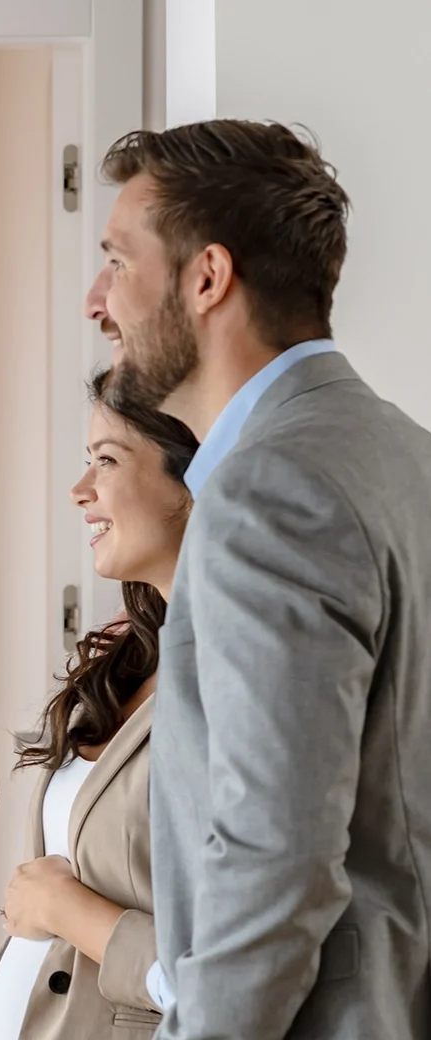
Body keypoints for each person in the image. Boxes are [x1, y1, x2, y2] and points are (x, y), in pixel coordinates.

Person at [86, 119, 431, 1039]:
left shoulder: (268, 489)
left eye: (117, 261)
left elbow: (273, 865)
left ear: (206, 277)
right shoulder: (404, 452)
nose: (97, 298)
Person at [0, 370, 197, 1040]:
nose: (80, 491)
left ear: (193, 478)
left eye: (106, 460)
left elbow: (244, 974)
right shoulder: (129, 660)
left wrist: (69, 912)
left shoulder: (246, 684)